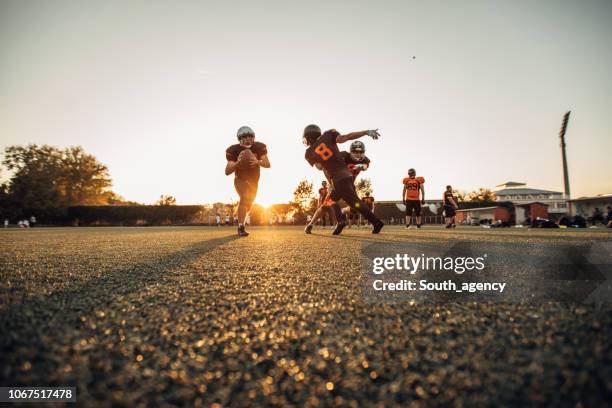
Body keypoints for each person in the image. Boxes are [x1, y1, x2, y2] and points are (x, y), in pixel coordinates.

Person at [303, 125, 384, 235]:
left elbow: (320, 167)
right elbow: (346, 137)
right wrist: (366, 132)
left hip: (337, 179)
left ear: (309, 137)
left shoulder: (308, 153)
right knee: (329, 201)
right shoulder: (329, 134)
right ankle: (340, 222)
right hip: (346, 175)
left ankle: (375, 222)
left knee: (356, 203)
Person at [225, 126, 270, 236]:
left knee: (249, 204)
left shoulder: (259, 147)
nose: (247, 139)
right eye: (244, 137)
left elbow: (267, 164)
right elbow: (227, 171)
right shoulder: (233, 150)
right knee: (244, 197)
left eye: (250, 136)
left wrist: (257, 161)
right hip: (240, 178)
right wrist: (237, 163)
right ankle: (241, 227)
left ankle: (241, 221)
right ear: (239, 139)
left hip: (254, 181)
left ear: (253, 137)